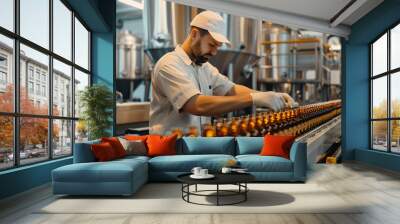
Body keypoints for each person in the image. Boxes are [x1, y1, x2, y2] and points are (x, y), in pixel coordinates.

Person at [150, 10, 297, 135]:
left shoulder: (204, 67)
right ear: (194, 34)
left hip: (195, 147)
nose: (214, 52)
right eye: (211, 45)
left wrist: (266, 95)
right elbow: (196, 105)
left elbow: (230, 89)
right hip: (169, 152)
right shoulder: (169, 65)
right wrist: (253, 99)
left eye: (218, 46)